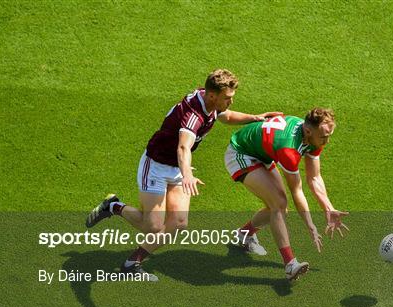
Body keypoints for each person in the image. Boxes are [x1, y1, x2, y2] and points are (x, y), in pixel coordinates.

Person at [85, 69, 281, 281]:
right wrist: (187, 174)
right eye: (227, 98)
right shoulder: (193, 116)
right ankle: (113, 206)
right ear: (213, 95)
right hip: (157, 166)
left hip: (177, 167)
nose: (230, 102)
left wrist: (256, 118)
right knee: (152, 226)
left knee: (178, 222)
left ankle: (132, 262)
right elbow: (183, 148)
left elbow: (226, 116)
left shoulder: (211, 102)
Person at [225, 107, 349, 280]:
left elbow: (314, 178)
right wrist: (311, 226)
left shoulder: (313, 136)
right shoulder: (289, 150)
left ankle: (244, 234)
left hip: (263, 153)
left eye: (329, 135)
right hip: (241, 154)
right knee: (279, 204)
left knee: (278, 207)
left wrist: (328, 208)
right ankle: (290, 264)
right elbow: (296, 190)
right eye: (324, 137)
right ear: (307, 131)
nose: (327, 141)